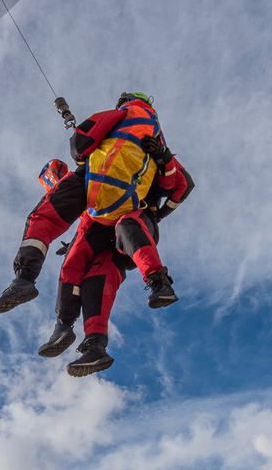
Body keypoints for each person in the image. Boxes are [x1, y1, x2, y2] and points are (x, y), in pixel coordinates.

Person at [0, 92, 187, 313]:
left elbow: (80, 143)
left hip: (93, 184)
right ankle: (157, 283)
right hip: (126, 208)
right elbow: (177, 184)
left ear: (125, 102)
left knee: (45, 218)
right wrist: (159, 210)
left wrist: (82, 153)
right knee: (99, 266)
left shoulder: (123, 114)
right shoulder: (158, 141)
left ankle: (25, 279)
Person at [39, 149, 194, 375]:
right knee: (90, 277)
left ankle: (159, 282)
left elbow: (184, 184)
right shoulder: (87, 179)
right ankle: (91, 344)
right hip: (100, 231)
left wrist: (158, 213)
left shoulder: (126, 150)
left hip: (134, 220)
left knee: (125, 226)